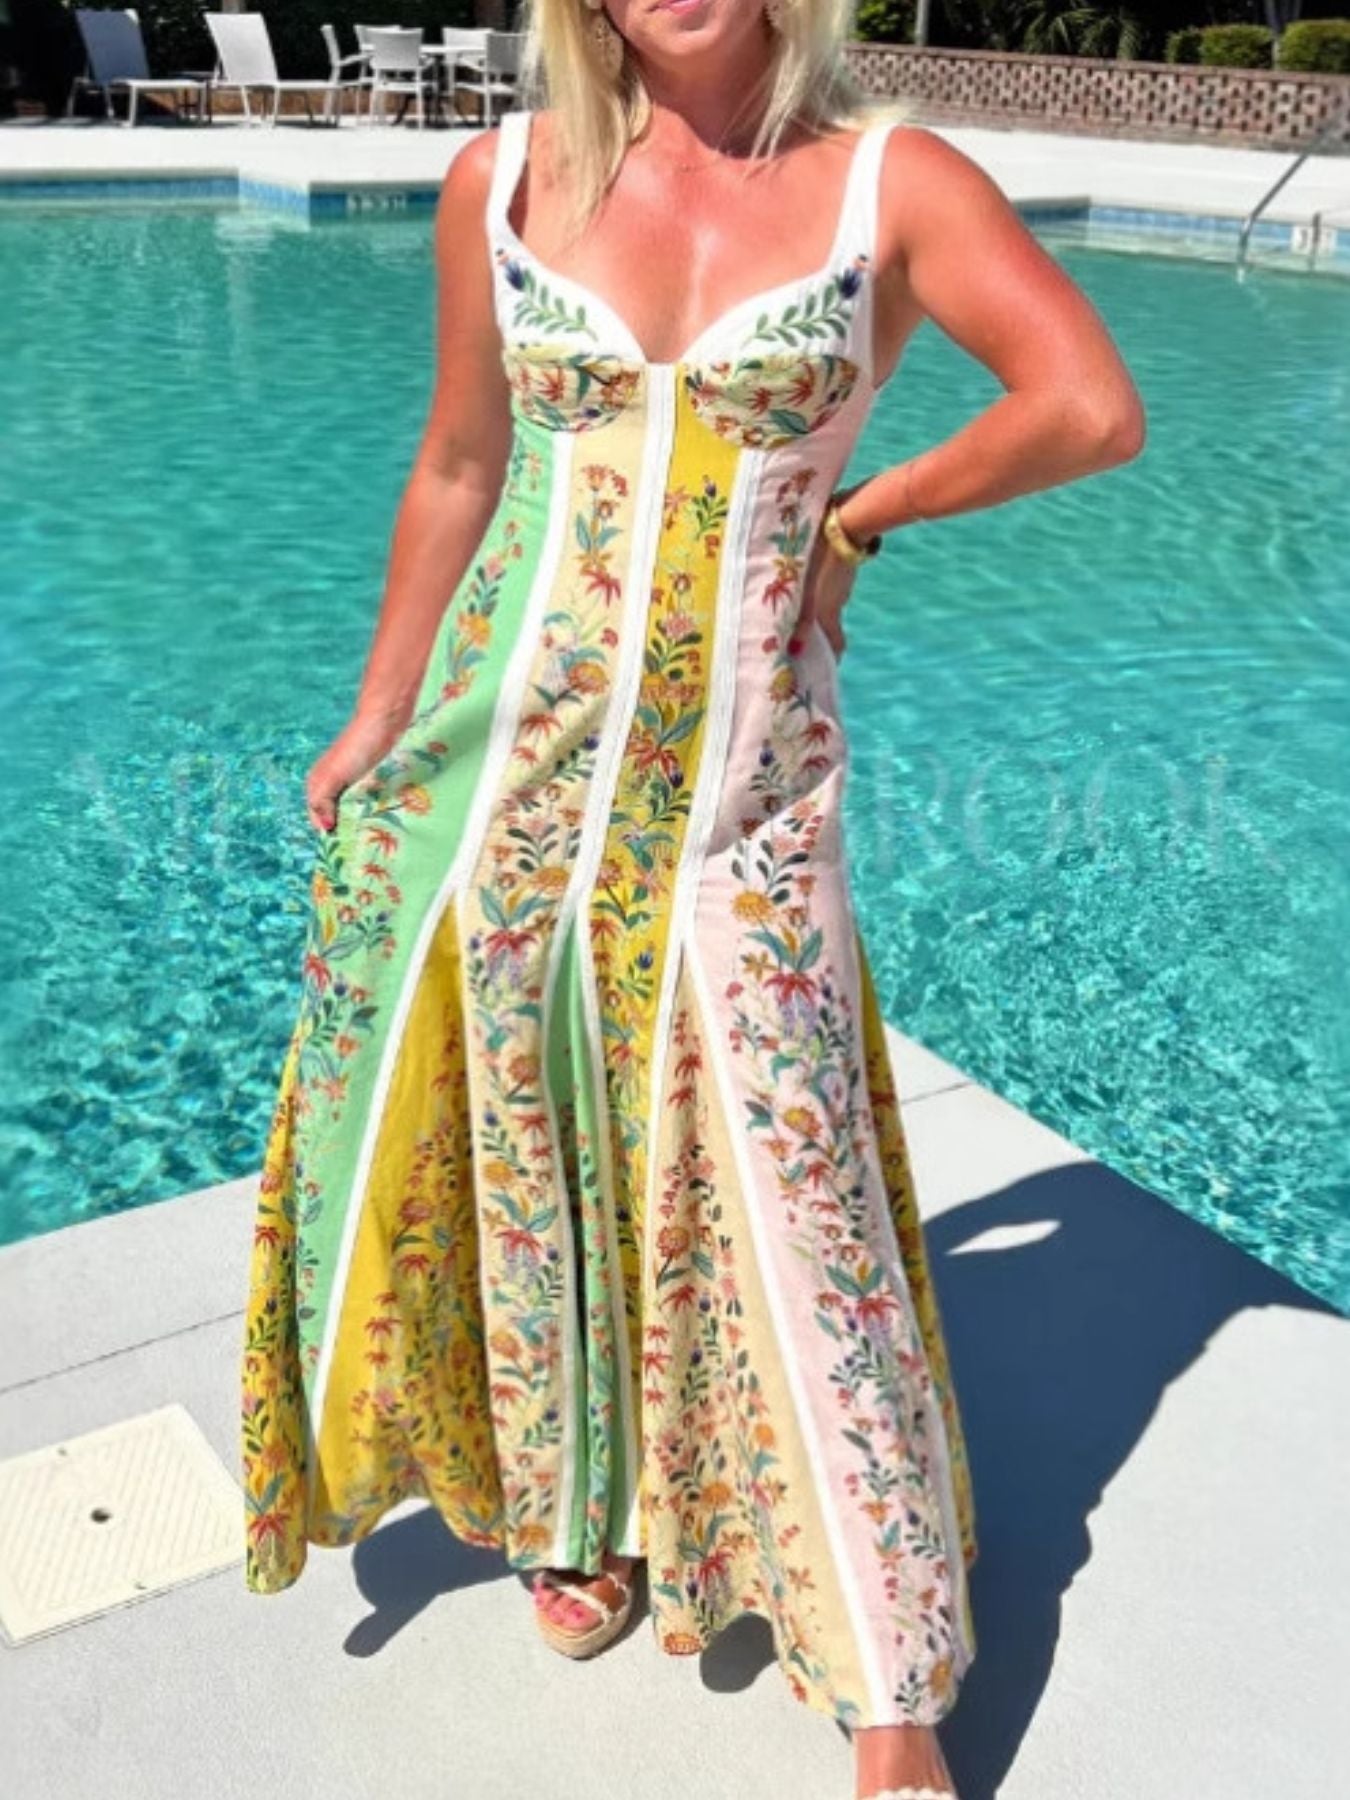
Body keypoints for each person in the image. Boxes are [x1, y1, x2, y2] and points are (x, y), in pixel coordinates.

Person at [239, 3, 1144, 1796]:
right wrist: (374, 714)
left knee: (793, 1186)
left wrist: (861, 512)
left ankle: (890, 1691)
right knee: (532, 1135)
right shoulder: (496, 182)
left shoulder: (891, 182)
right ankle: (576, 1505)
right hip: (502, 775)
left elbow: (1089, 406)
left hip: (740, 795)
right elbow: (459, 466)